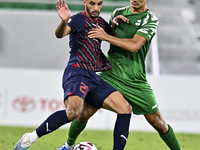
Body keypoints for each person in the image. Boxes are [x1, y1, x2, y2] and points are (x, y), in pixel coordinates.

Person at [59, 0, 182, 150]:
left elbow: (134, 46)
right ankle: (68, 146)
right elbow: (102, 34)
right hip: (110, 74)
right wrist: (110, 28)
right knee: (84, 113)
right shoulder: (118, 13)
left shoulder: (150, 19)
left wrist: (106, 36)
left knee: (158, 123)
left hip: (136, 81)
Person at [14, 0, 133, 150]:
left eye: (99, 3)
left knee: (125, 108)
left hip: (93, 76)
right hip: (77, 72)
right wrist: (64, 21)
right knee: (73, 112)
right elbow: (60, 34)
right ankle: (30, 138)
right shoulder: (79, 19)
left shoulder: (101, 22)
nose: (96, 8)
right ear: (85, 2)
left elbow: (109, 35)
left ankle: (69, 147)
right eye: (92, 3)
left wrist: (114, 25)